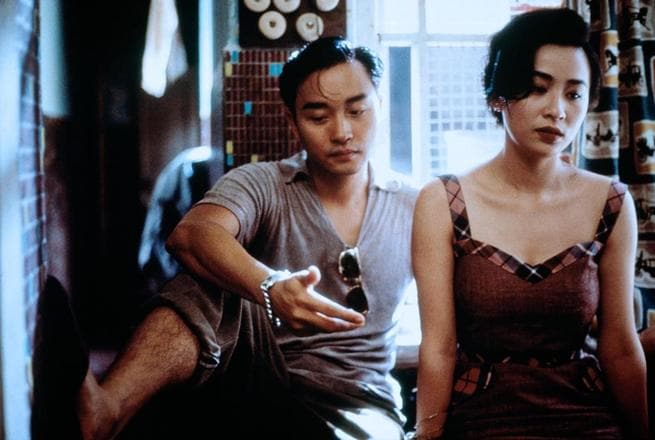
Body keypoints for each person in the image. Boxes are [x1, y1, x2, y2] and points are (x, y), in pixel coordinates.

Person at [61, 36, 417, 439]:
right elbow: (191, 235)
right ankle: (108, 410)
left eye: (357, 111)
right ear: (292, 121)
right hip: (263, 383)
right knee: (208, 281)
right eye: (319, 117)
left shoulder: (414, 205)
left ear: (380, 105)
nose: (342, 132)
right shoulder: (264, 183)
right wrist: (270, 287)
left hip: (363, 405)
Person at [411, 8, 649, 440]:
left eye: (574, 94)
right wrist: (427, 435)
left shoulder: (611, 202)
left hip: (589, 423)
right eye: (539, 88)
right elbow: (439, 348)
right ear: (498, 96)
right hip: (481, 424)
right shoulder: (442, 201)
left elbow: (619, 346)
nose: (557, 110)